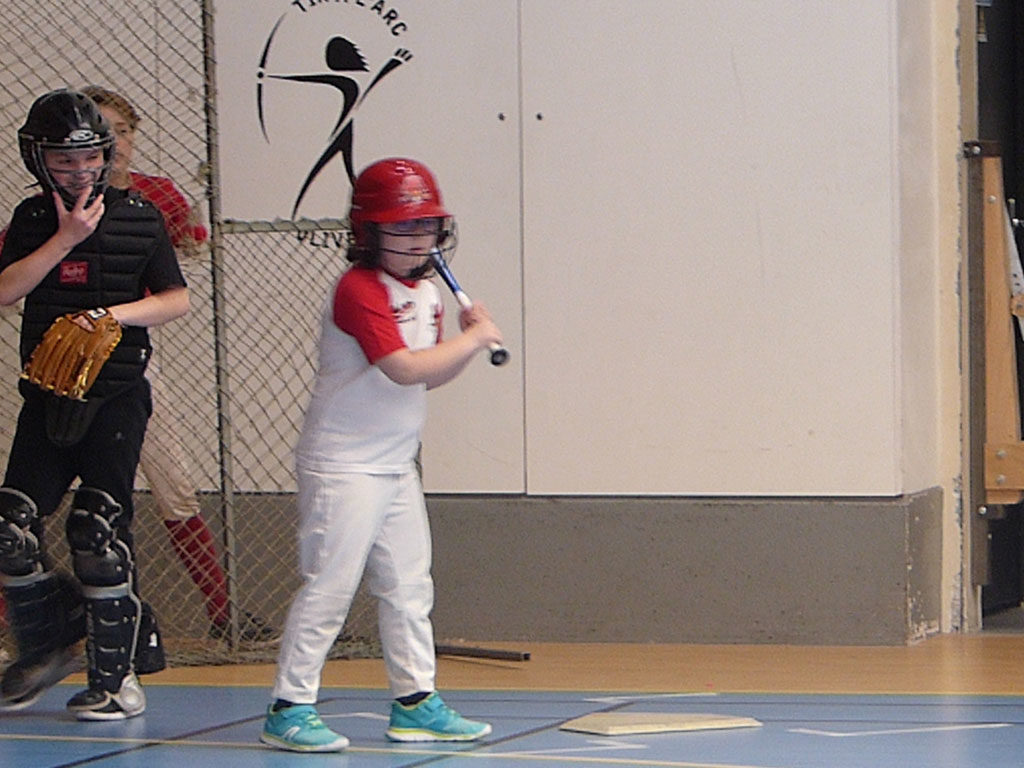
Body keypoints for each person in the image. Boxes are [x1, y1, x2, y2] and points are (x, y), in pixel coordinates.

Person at [260, 158, 503, 752]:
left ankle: (415, 702)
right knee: (329, 586)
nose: (418, 238)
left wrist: (465, 345)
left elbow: (429, 376)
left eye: (426, 226)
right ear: (368, 231)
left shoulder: (427, 293)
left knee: (409, 587)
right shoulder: (359, 289)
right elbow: (401, 369)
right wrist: (474, 338)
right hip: (343, 464)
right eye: (403, 226)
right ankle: (289, 707)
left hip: (395, 463)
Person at [0, 88, 189, 719]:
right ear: (39, 159)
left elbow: (175, 298)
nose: (80, 171)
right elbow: (6, 290)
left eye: (90, 157)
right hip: (47, 395)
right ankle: (46, 646)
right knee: (9, 525)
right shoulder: (32, 219)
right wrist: (64, 238)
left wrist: (111, 317)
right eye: (64, 160)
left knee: (97, 529)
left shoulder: (140, 217)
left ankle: (117, 678)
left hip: (116, 398)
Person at [80, 85, 273, 644]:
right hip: (71, 357)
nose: (115, 143)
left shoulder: (155, 196)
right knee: (40, 492)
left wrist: (186, 233)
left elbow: (190, 244)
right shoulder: (59, 203)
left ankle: (223, 613)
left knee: (174, 487)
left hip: (133, 358)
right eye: (102, 132)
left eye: (123, 131)